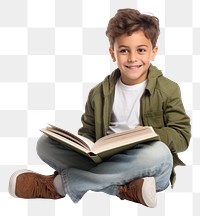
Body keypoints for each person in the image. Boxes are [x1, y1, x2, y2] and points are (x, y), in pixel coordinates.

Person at [9, 8, 191, 208]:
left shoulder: (168, 89)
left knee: (160, 153)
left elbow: (182, 137)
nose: (132, 58)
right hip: (107, 161)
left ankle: (57, 185)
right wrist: (82, 145)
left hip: (147, 165)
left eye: (141, 50)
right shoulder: (99, 93)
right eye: (124, 50)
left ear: (153, 52)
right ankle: (127, 189)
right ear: (113, 53)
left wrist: (151, 133)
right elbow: (87, 133)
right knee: (44, 143)